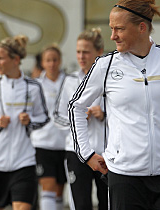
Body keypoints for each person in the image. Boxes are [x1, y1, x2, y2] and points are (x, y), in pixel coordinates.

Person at [68, 0, 160, 209]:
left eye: (118, 29)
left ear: (141, 28)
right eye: (111, 28)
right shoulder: (105, 65)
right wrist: (86, 153)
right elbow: (76, 107)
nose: (113, 36)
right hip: (124, 176)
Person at [0, 35, 49, 210]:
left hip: (23, 161)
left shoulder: (33, 86)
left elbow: (44, 117)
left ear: (16, 59)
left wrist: (30, 121)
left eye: (1, 58)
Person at [54, 28, 108, 210]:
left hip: (105, 151)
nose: (81, 56)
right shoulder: (69, 80)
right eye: (78, 51)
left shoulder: (109, 78)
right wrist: (76, 119)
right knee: (81, 204)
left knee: (106, 203)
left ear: (99, 52)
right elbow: (57, 117)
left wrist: (104, 114)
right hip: (76, 151)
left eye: (86, 51)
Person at [30, 45, 68, 210]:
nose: (52, 63)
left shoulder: (69, 81)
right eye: (48, 60)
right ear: (42, 63)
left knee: (60, 190)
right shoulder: (35, 84)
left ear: (59, 61)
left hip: (65, 142)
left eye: (54, 60)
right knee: (48, 186)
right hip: (42, 143)